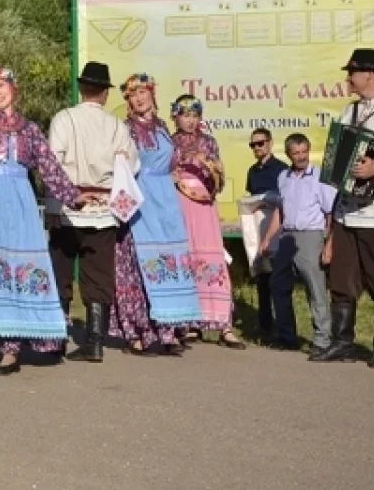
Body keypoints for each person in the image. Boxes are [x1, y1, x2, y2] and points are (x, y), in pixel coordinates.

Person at [0, 68, 80, 376]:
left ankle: (12, 347)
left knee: (21, 267)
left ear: (14, 89)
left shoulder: (29, 130)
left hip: (20, 203)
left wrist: (73, 196)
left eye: (2, 85)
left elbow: (49, 166)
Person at [47, 61, 137, 362]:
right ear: (105, 93)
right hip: (103, 210)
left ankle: (56, 338)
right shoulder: (117, 126)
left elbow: (52, 164)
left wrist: (57, 202)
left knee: (61, 272)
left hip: (67, 207)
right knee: (98, 275)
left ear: (81, 88)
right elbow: (131, 166)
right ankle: (94, 341)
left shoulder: (64, 119)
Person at [110, 74, 200, 356]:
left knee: (169, 264)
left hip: (166, 202)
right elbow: (120, 168)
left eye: (143, 92)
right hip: (141, 201)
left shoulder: (162, 127)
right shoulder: (125, 129)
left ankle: (168, 331)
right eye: (133, 94)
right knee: (138, 268)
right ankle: (138, 332)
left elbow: (173, 161)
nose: (139, 98)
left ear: (152, 94)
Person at [313, 48, 374, 367]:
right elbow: (338, 148)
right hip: (346, 211)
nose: (348, 79)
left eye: (352, 73)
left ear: (369, 74)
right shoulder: (350, 111)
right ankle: (343, 342)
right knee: (342, 279)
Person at [170, 95, 244, 350]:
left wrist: (215, 171)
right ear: (176, 117)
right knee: (186, 257)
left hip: (204, 205)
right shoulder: (170, 143)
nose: (190, 121)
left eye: (194, 115)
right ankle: (190, 322)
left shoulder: (209, 142)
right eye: (185, 115)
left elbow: (218, 180)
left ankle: (224, 324)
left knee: (211, 257)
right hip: (180, 204)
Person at [259, 133, 335, 358]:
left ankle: (322, 339)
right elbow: (280, 211)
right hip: (287, 236)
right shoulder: (284, 177)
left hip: (311, 235)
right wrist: (267, 238)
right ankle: (287, 336)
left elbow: (330, 212)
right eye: (296, 153)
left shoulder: (320, 177)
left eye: (304, 152)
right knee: (278, 285)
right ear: (288, 154)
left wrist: (329, 243)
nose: (301, 157)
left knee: (315, 288)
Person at [243, 128, 288, 338]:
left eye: (260, 143)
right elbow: (251, 197)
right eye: (253, 145)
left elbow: (286, 201)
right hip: (257, 227)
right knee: (262, 278)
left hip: (277, 227)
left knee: (278, 280)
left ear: (270, 143)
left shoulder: (282, 170)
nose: (257, 148)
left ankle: (284, 328)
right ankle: (264, 325)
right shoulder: (252, 171)